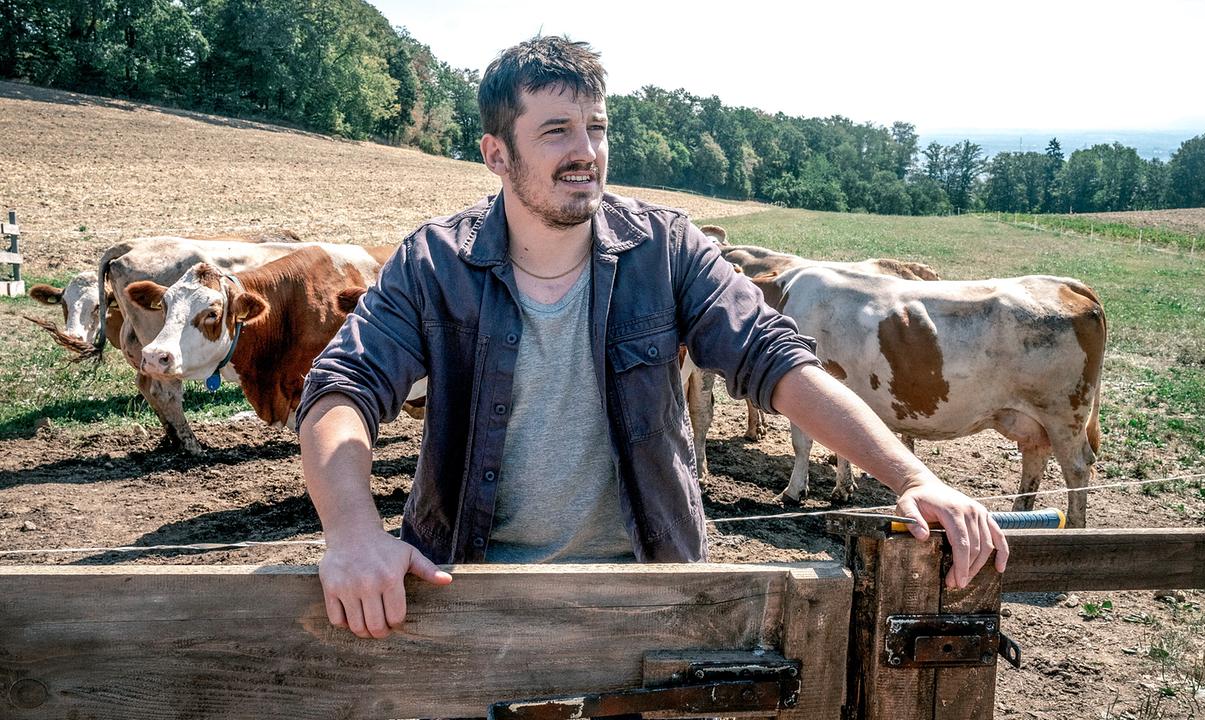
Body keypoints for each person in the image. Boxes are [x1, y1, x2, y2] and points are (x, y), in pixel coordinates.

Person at [297, 35, 1009, 640]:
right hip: (466, 591)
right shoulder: (434, 263)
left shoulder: (666, 250)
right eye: (556, 132)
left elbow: (776, 360)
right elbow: (341, 391)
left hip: (651, 593)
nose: (587, 153)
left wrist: (913, 478)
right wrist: (355, 533)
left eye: (597, 129)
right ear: (496, 154)